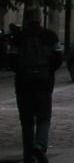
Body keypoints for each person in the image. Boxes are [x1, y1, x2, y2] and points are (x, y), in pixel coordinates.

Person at [9, 8, 62, 163]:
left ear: (26, 19)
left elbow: (12, 59)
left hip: (23, 82)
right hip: (44, 82)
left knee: (26, 120)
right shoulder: (50, 35)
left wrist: (22, 72)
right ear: (40, 18)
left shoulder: (18, 37)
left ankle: (28, 154)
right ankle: (39, 145)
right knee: (44, 117)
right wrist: (48, 72)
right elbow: (58, 58)